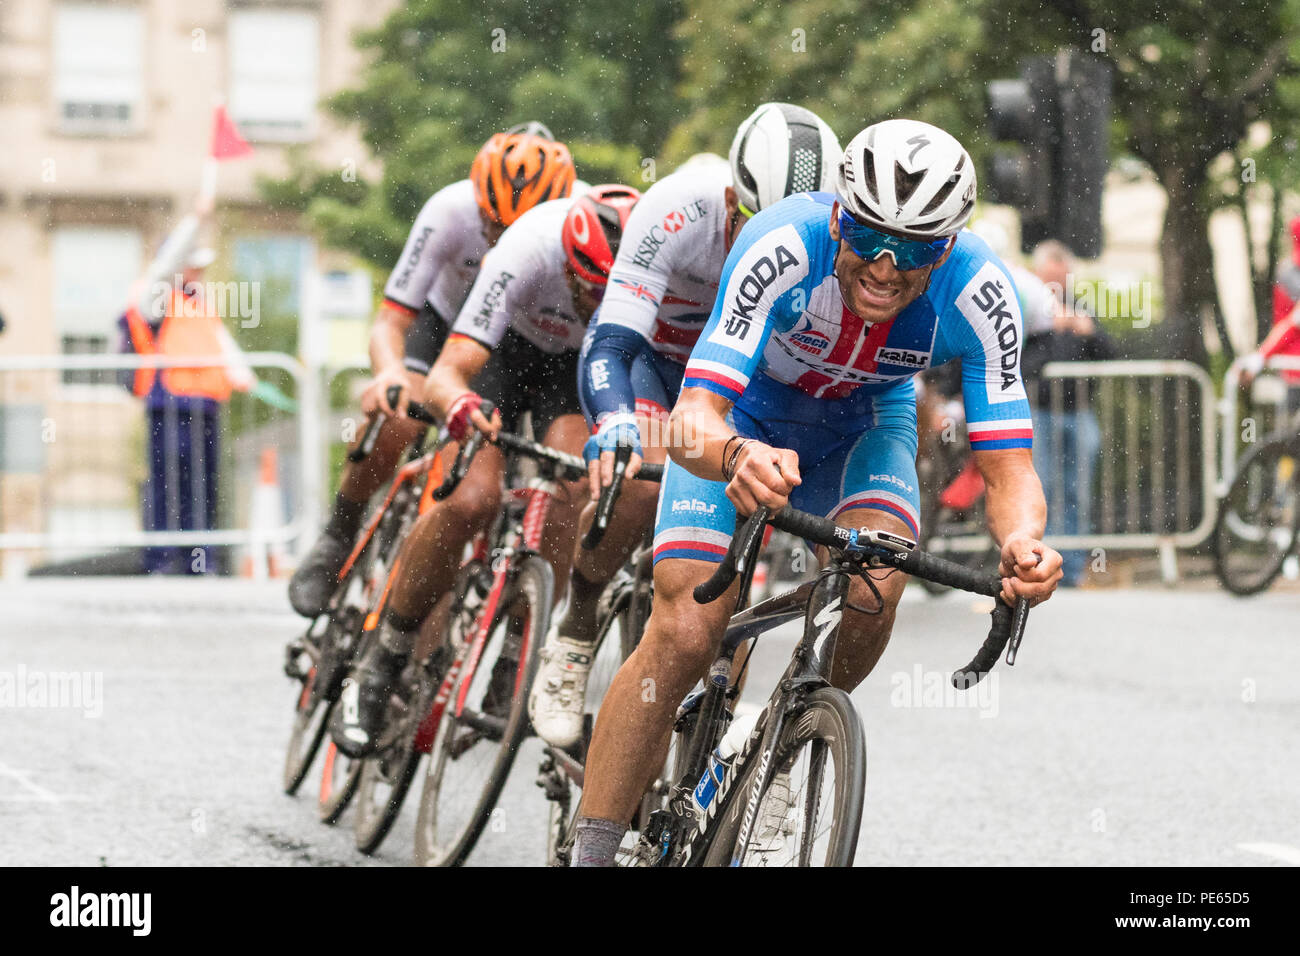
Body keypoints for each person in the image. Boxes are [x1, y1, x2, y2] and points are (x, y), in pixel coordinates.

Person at [569, 119, 1064, 866]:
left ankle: (783, 742)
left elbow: (1009, 465)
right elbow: (694, 415)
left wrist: (1023, 539)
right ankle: (594, 852)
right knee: (685, 631)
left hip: (866, 423)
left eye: (920, 249)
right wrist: (735, 453)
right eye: (869, 238)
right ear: (839, 215)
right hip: (746, 413)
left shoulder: (983, 293)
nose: (888, 267)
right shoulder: (781, 244)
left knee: (877, 583)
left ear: (950, 246)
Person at [529, 103, 843, 749]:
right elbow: (612, 343)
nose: (775, 237)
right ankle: (578, 623)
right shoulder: (676, 212)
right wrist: (615, 422)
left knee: (755, 505)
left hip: (741, 383)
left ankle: (720, 713)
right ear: (731, 198)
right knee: (640, 484)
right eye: (757, 222)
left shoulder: (833, 244)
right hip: (658, 365)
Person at [329, 184, 641, 758]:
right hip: (499, 352)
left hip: (572, 368)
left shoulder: (646, 266)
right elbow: (452, 368)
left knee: (578, 481)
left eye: (607, 291)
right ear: (566, 258)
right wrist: (460, 406)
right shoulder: (524, 251)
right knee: (472, 499)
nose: (590, 300)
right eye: (582, 284)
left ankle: (516, 652)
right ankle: (385, 655)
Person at [288, 124, 576, 617]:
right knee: (400, 415)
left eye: (517, 231)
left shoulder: (577, 224)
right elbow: (391, 319)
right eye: (491, 225)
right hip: (445, 323)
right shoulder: (449, 210)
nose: (500, 241)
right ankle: (339, 530)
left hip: (525, 340)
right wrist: (390, 374)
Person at [118, 193, 253, 574]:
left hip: (206, 407)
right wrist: (195, 221)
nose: (199, 273)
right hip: (170, 405)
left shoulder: (200, 304)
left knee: (202, 488)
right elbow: (165, 266)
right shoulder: (155, 300)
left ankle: (199, 562)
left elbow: (225, 350)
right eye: (192, 266)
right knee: (166, 486)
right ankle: (161, 562)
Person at [1020, 240, 1115, 586]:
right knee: (1041, 490)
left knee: (1078, 490)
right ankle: (1039, 563)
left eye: (1062, 280)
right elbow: (1021, 364)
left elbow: (1112, 354)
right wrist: (1052, 332)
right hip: (1040, 413)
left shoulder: (1082, 308)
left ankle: (1072, 568)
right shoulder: (1029, 315)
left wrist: (1088, 332)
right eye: (1050, 280)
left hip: (1080, 413)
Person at [1241, 215, 1300, 412]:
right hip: (1293, 372)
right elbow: (1293, 322)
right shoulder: (1289, 273)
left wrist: (1262, 355)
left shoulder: (1287, 272)